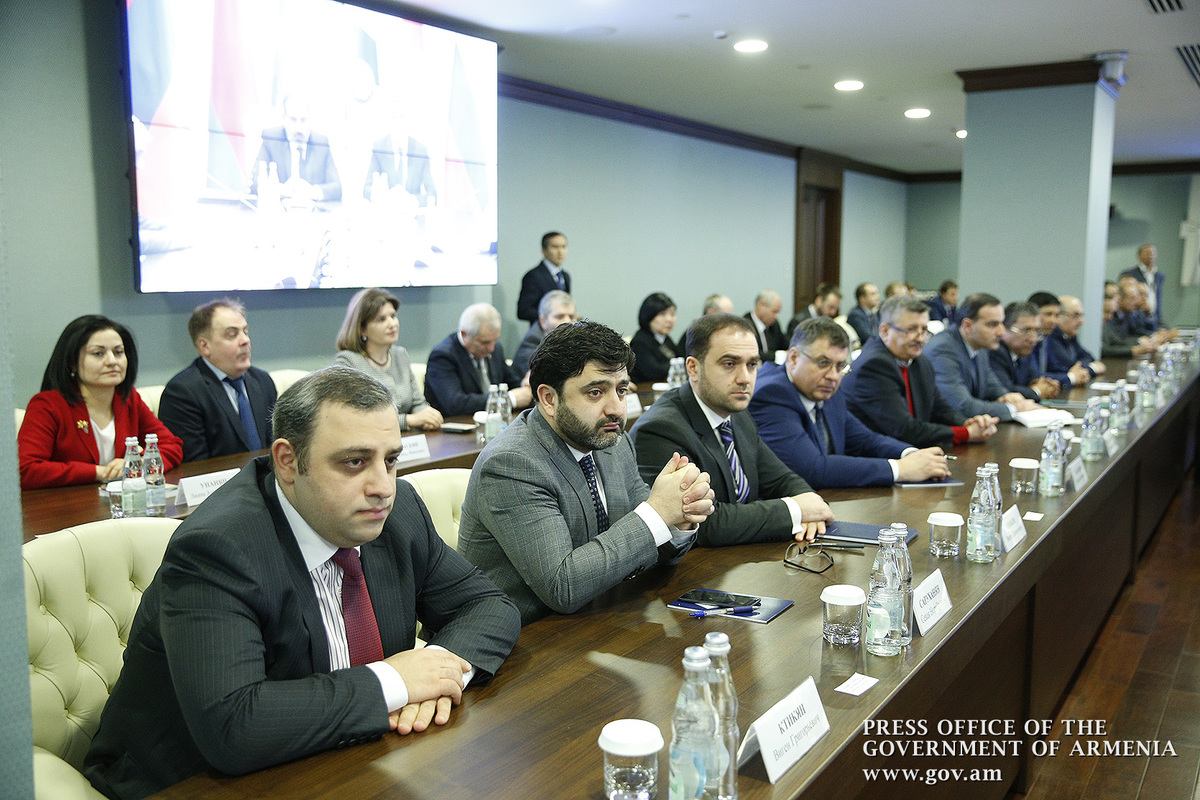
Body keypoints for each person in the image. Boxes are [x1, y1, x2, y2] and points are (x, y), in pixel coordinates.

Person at [84, 367, 520, 799]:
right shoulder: (218, 548)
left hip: (348, 759)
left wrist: (438, 673)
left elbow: (487, 605)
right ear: (288, 462)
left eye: (390, 460)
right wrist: (393, 682)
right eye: (355, 462)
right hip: (189, 780)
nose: (383, 487)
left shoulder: (398, 511)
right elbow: (234, 725)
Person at [457, 321, 714, 626]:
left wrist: (679, 519)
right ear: (549, 399)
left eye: (621, 390)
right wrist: (657, 513)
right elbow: (563, 586)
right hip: (523, 634)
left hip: (598, 616)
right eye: (595, 392)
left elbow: (645, 543)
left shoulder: (613, 442)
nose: (616, 409)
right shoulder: (511, 464)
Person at [629, 313, 833, 546]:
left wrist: (811, 504)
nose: (745, 378)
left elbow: (780, 478)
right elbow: (703, 522)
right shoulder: (660, 429)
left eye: (752, 364)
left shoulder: (737, 413)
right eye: (729, 364)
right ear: (693, 368)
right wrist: (797, 511)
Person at [749, 318, 950, 490]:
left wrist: (911, 454)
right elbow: (812, 469)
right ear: (793, 358)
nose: (833, 376)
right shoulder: (772, 395)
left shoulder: (827, 390)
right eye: (823, 363)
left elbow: (864, 439)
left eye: (840, 366)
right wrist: (901, 469)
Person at [18, 315, 183, 490]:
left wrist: (140, 463)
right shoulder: (48, 405)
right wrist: (99, 472)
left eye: (118, 352)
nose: (112, 361)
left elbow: (172, 446)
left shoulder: (128, 399)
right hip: (66, 503)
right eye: (98, 353)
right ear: (72, 363)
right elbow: (26, 469)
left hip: (121, 500)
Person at [841, 295, 998, 449]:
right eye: (911, 329)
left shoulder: (919, 361)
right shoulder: (873, 366)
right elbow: (904, 430)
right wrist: (966, 433)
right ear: (885, 331)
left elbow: (939, 407)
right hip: (877, 456)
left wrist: (967, 422)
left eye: (924, 330)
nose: (921, 339)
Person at [158, 300, 277, 463]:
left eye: (245, 331)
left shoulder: (262, 381)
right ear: (205, 346)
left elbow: (275, 446)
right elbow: (195, 466)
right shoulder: (182, 392)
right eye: (232, 334)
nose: (245, 341)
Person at [333, 288, 442, 431]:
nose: (392, 324)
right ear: (362, 329)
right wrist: (408, 420)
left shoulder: (400, 355)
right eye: (381, 319)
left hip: (407, 438)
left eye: (393, 316)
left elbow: (417, 403)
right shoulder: (347, 362)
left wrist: (428, 415)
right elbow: (355, 416)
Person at [923, 293, 1042, 421]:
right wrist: (1013, 408)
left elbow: (990, 385)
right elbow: (962, 407)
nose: (1001, 332)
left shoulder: (980, 346)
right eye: (993, 324)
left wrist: (1008, 397)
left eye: (1001, 323)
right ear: (968, 326)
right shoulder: (943, 350)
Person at [424, 303, 532, 416]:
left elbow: (510, 382)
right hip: (456, 423)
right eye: (485, 342)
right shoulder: (442, 356)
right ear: (464, 334)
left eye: (495, 340)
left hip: (494, 421)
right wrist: (506, 399)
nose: (491, 348)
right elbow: (455, 404)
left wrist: (525, 384)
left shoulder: (496, 348)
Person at [250, 94, 342, 202]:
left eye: (304, 120)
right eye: (293, 120)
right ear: (284, 118)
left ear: (310, 119)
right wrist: (284, 190)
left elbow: (337, 189)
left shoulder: (321, 142)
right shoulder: (271, 139)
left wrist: (311, 191)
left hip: (312, 210)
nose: (299, 128)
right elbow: (255, 184)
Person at [988, 302, 1061, 400]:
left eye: (1036, 331)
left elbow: (1033, 379)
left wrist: (1047, 385)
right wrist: (1037, 391)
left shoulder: (1023, 352)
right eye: (1026, 331)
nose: (1033, 339)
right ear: (1004, 329)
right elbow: (1004, 390)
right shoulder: (995, 351)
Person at [1041, 295, 1106, 388]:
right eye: (1075, 315)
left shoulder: (1069, 336)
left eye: (1081, 315)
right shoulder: (1050, 338)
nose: (1081, 321)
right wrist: (1092, 368)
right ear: (1060, 316)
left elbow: (1088, 357)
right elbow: (1067, 367)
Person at [512, 290, 578, 375]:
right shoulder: (532, 344)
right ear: (543, 321)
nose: (568, 322)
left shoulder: (577, 341)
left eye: (571, 317)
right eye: (559, 317)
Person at [629, 292, 685, 383]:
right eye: (663, 314)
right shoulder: (640, 341)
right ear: (649, 316)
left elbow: (681, 359)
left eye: (672, 314)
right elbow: (654, 372)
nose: (669, 319)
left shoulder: (665, 338)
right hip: (644, 389)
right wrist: (677, 365)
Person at [517, 232, 570, 324]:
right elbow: (523, 311)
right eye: (555, 247)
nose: (560, 251)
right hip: (543, 330)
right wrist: (551, 316)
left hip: (563, 329)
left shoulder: (565, 276)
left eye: (563, 247)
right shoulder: (533, 276)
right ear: (544, 250)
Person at [1103, 280, 1161, 358]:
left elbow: (1135, 332)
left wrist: (1152, 337)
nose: (1137, 302)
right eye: (1132, 298)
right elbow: (1111, 344)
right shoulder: (1111, 316)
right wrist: (1135, 348)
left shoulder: (1128, 314)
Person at [1119, 243, 1165, 327]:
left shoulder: (1159, 275)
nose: (1151, 256)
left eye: (1153, 253)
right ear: (1139, 256)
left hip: (1154, 317)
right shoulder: (1129, 274)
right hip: (1136, 318)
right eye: (1147, 253)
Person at [744, 289, 788, 361]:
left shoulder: (774, 324)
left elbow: (784, 344)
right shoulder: (745, 325)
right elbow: (750, 353)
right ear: (760, 305)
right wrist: (778, 356)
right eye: (774, 311)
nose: (776, 316)